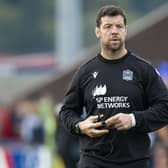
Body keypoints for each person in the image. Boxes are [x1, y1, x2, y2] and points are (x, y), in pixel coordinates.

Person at [59, 5, 168, 168]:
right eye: (108, 27)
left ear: (125, 30)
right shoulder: (85, 72)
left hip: (134, 161)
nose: (114, 31)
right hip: (93, 160)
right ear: (98, 32)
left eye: (119, 26)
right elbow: (67, 111)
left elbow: (165, 108)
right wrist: (80, 125)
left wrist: (133, 119)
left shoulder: (143, 70)